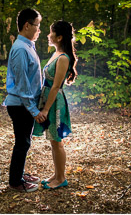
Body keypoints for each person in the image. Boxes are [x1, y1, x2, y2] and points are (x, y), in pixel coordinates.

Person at [33, 20, 78, 190]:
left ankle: (61, 178)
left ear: (59, 37)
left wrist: (45, 109)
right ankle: (57, 174)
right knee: (53, 140)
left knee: (57, 141)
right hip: (48, 100)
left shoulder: (64, 58)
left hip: (55, 103)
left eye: (51, 32)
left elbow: (56, 86)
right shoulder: (56, 54)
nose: (48, 35)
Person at [3, 8, 44, 192]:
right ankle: (15, 182)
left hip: (25, 104)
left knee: (24, 141)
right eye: (37, 25)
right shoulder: (20, 49)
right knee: (22, 142)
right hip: (20, 105)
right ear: (27, 25)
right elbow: (22, 84)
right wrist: (33, 110)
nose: (39, 30)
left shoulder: (27, 45)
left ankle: (19, 174)